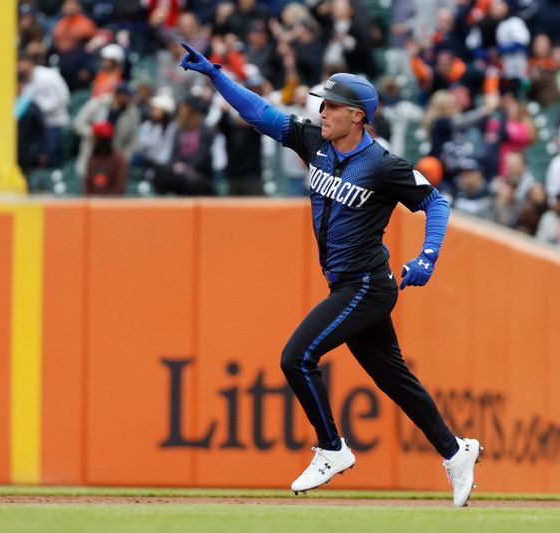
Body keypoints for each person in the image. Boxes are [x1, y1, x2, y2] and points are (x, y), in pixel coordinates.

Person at [180, 42, 483, 506]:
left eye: (333, 105)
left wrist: (429, 256)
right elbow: (261, 113)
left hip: (367, 285)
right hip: (346, 284)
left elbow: (435, 202)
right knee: (394, 380)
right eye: (322, 103)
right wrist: (217, 76)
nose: (322, 111)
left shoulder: (381, 164)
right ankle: (455, 449)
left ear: (358, 116)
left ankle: (331, 447)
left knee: (296, 357)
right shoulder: (316, 142)